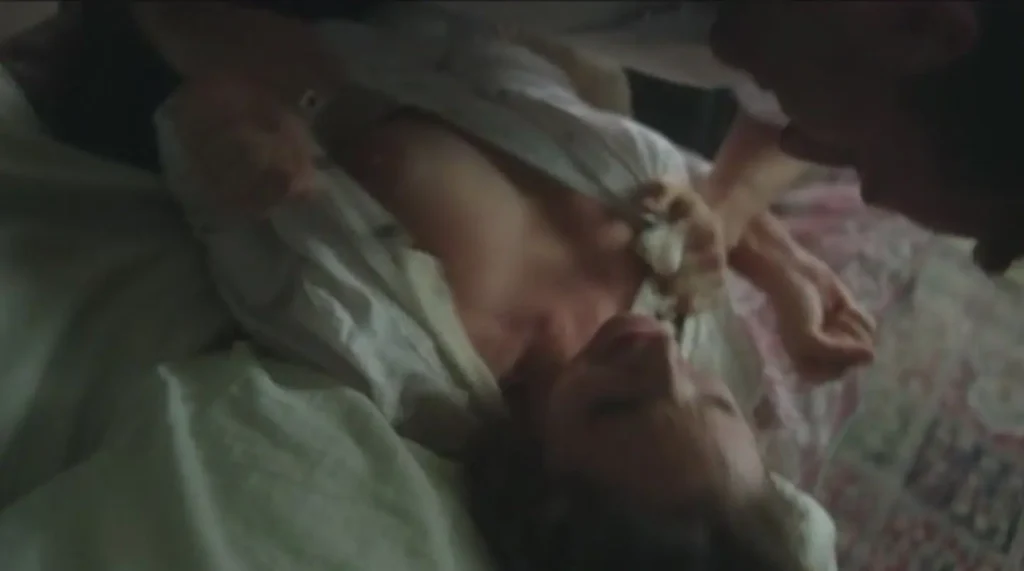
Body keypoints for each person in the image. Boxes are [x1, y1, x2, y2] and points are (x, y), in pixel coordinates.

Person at [150, 5, 841, 569]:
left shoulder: (375, 342)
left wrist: (243, 128)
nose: (662, 352)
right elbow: (714, 170)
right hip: (527, 34)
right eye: (713, 398)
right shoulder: (695, 322)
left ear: (537, 474)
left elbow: (200, 100)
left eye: (619, 406)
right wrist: (771, 263)